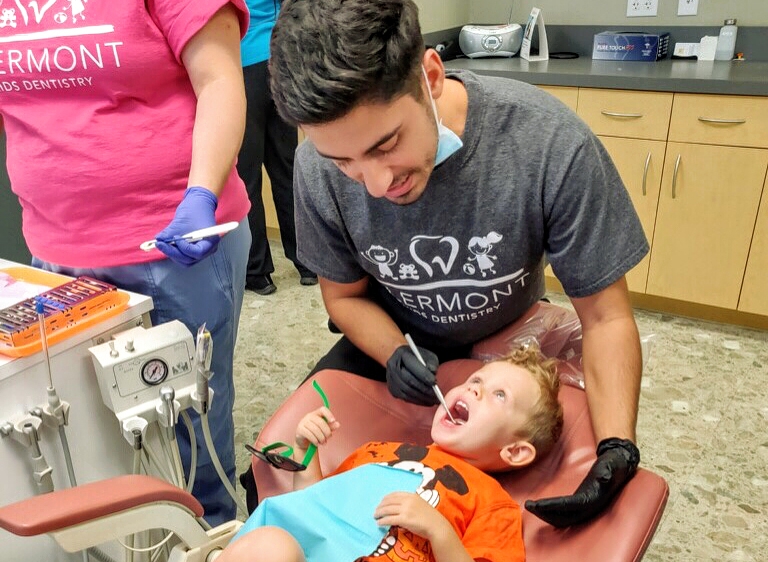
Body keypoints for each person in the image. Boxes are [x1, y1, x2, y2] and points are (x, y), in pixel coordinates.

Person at [267, 0, 646, 527]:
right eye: (344, 163)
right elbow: (344, 298)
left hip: (509, 341)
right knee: (279, 472)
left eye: (386, 145)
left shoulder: (547, 144)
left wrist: (617, 447)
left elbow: (605, 317)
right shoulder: (315, 167)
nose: (376, 185)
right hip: (394, 336)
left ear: (430, 75)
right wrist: (394, 351)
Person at [0, 1, 251, 525]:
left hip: (173, 245)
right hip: (54, 251)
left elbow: (220, 81)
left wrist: (202, 192)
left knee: (187, 424)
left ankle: (212, 549)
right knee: (89, 433)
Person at [193, 346, 564, 562]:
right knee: (268, 548)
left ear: (515, 451)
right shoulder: (378, 452)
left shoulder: (493, 503)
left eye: (500, 396)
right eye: (475, 382)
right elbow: (314, 510)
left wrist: (439, 531)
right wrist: (306, 451)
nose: (477, 391)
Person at [238, 0, 317, 295]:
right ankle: (307, 263)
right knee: (287, 171)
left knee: (247, 178)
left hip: (241, 64)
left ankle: (258, 273)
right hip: (278, 62)